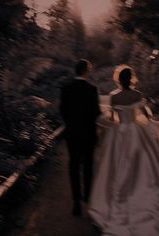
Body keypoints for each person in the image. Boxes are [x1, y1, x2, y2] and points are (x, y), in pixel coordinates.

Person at [88, 67, 159, 235]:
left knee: (118, 167)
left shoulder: (114, 96)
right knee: (144, 165)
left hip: (119, 133)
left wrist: (112, 123)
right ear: (131, 79)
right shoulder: (138, 95)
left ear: (119, 79)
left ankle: (120, 199)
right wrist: (148, 124)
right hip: (137, 132)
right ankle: (145, 198)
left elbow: (113, 117)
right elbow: (145, 115)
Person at [60, 59, 100, 216]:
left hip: (72, 133)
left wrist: (72, 123)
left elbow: (62, 110)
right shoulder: (92, 89)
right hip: (88, 133)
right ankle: (87, 197)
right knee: (88, 165)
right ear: (86, 71)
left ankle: (76, 201)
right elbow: (96, 112)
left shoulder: (66, 88)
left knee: (74, 166)